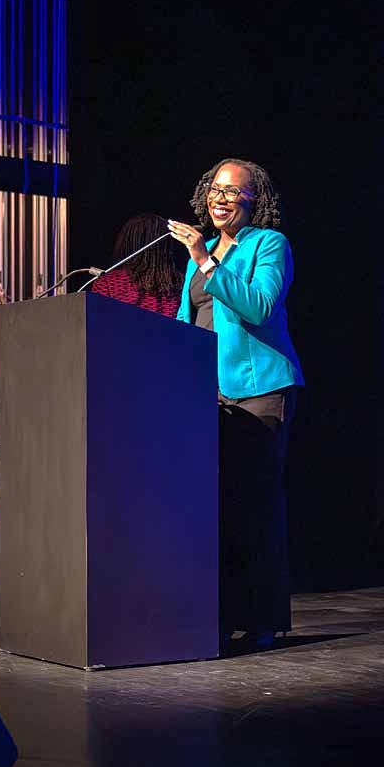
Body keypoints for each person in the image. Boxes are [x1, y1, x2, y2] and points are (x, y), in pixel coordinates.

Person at [168, 158, 304, 651]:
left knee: (256, 506)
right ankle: (220, 615)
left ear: (255, 200)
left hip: (259, 390)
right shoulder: (195, 258)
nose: (221, 198)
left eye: (234, 192)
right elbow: (186, 323)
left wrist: (207, 260)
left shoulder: (269, 245)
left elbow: (259, 306)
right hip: (209, 395)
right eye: (215, 190)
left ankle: (263, 618)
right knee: (216, 509)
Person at [91, 213, 183, 318]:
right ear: (166, 247)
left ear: (127, 242)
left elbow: (97, 324)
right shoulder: (180, 284)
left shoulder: (108, 282)